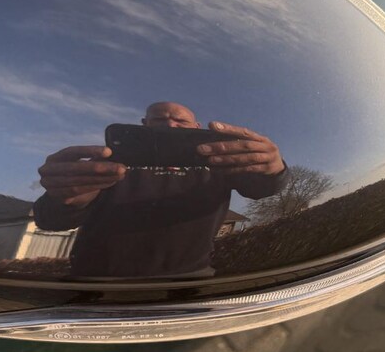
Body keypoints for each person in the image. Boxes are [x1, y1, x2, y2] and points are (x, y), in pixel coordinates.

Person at [33, 101, 285, 278]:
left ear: (197, 128)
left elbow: (262, 188)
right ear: (144, 124)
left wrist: (275, 168)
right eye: (160, 120)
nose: (170, 126)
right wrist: (67, 200)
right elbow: (50, 220)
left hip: (188, 281)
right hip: (96, 282)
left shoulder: (221, 163)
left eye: (180, 121)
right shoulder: (107, 163)